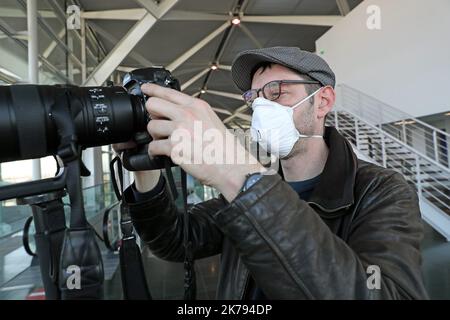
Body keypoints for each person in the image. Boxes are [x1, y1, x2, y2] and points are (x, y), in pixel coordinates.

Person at [113, 46, 428, 299]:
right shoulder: (247, 191)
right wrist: (146, 163)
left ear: (323, 101)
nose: (261, 107)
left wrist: (238, 173)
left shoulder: (381, 191)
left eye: (277, 92)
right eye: (255, 97)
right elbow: (175, 239)